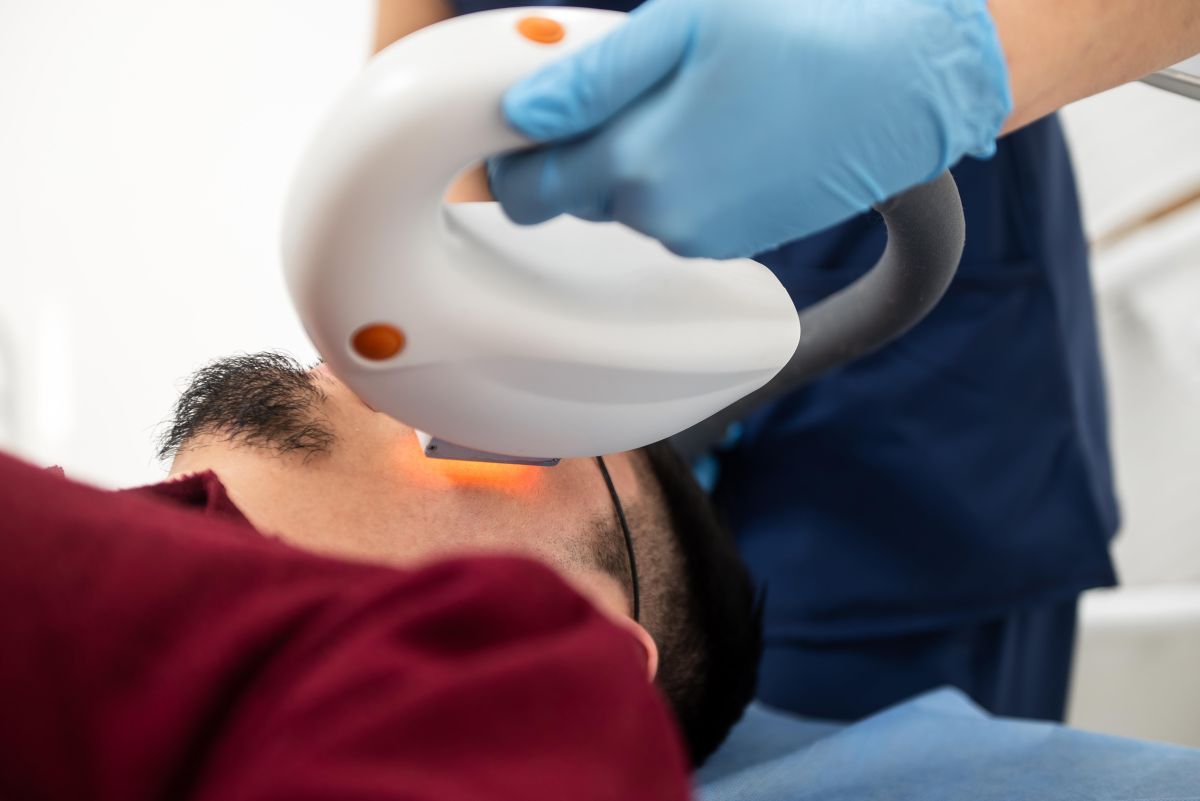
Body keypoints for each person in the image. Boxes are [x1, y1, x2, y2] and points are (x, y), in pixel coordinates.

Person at [371, 0, 1188, 722]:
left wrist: (956, 58)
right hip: (585, 333)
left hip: (919, 402)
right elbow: (420, 78)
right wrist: (480, 312)